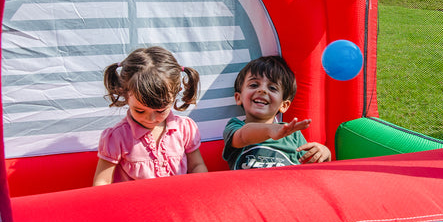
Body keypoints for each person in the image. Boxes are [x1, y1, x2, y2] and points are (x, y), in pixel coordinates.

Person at [93, 46, 207, 185]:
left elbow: (196, 166)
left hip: (177, 202)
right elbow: (102, 181)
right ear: (124, 93)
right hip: (134, 205)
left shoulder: (185, 129)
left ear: (177, 92)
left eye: (160, 111)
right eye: (140, 111)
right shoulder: (118, 137)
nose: (151, 119)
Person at [223, 55, 331, 169]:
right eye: (254, 85)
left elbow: (310, 166)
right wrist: (269, 130)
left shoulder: (293, 135)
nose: (262, 90)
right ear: (238, 97)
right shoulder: (235, 126)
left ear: (283, 105)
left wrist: (324, 153)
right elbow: (242, 137)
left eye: (272, 88)